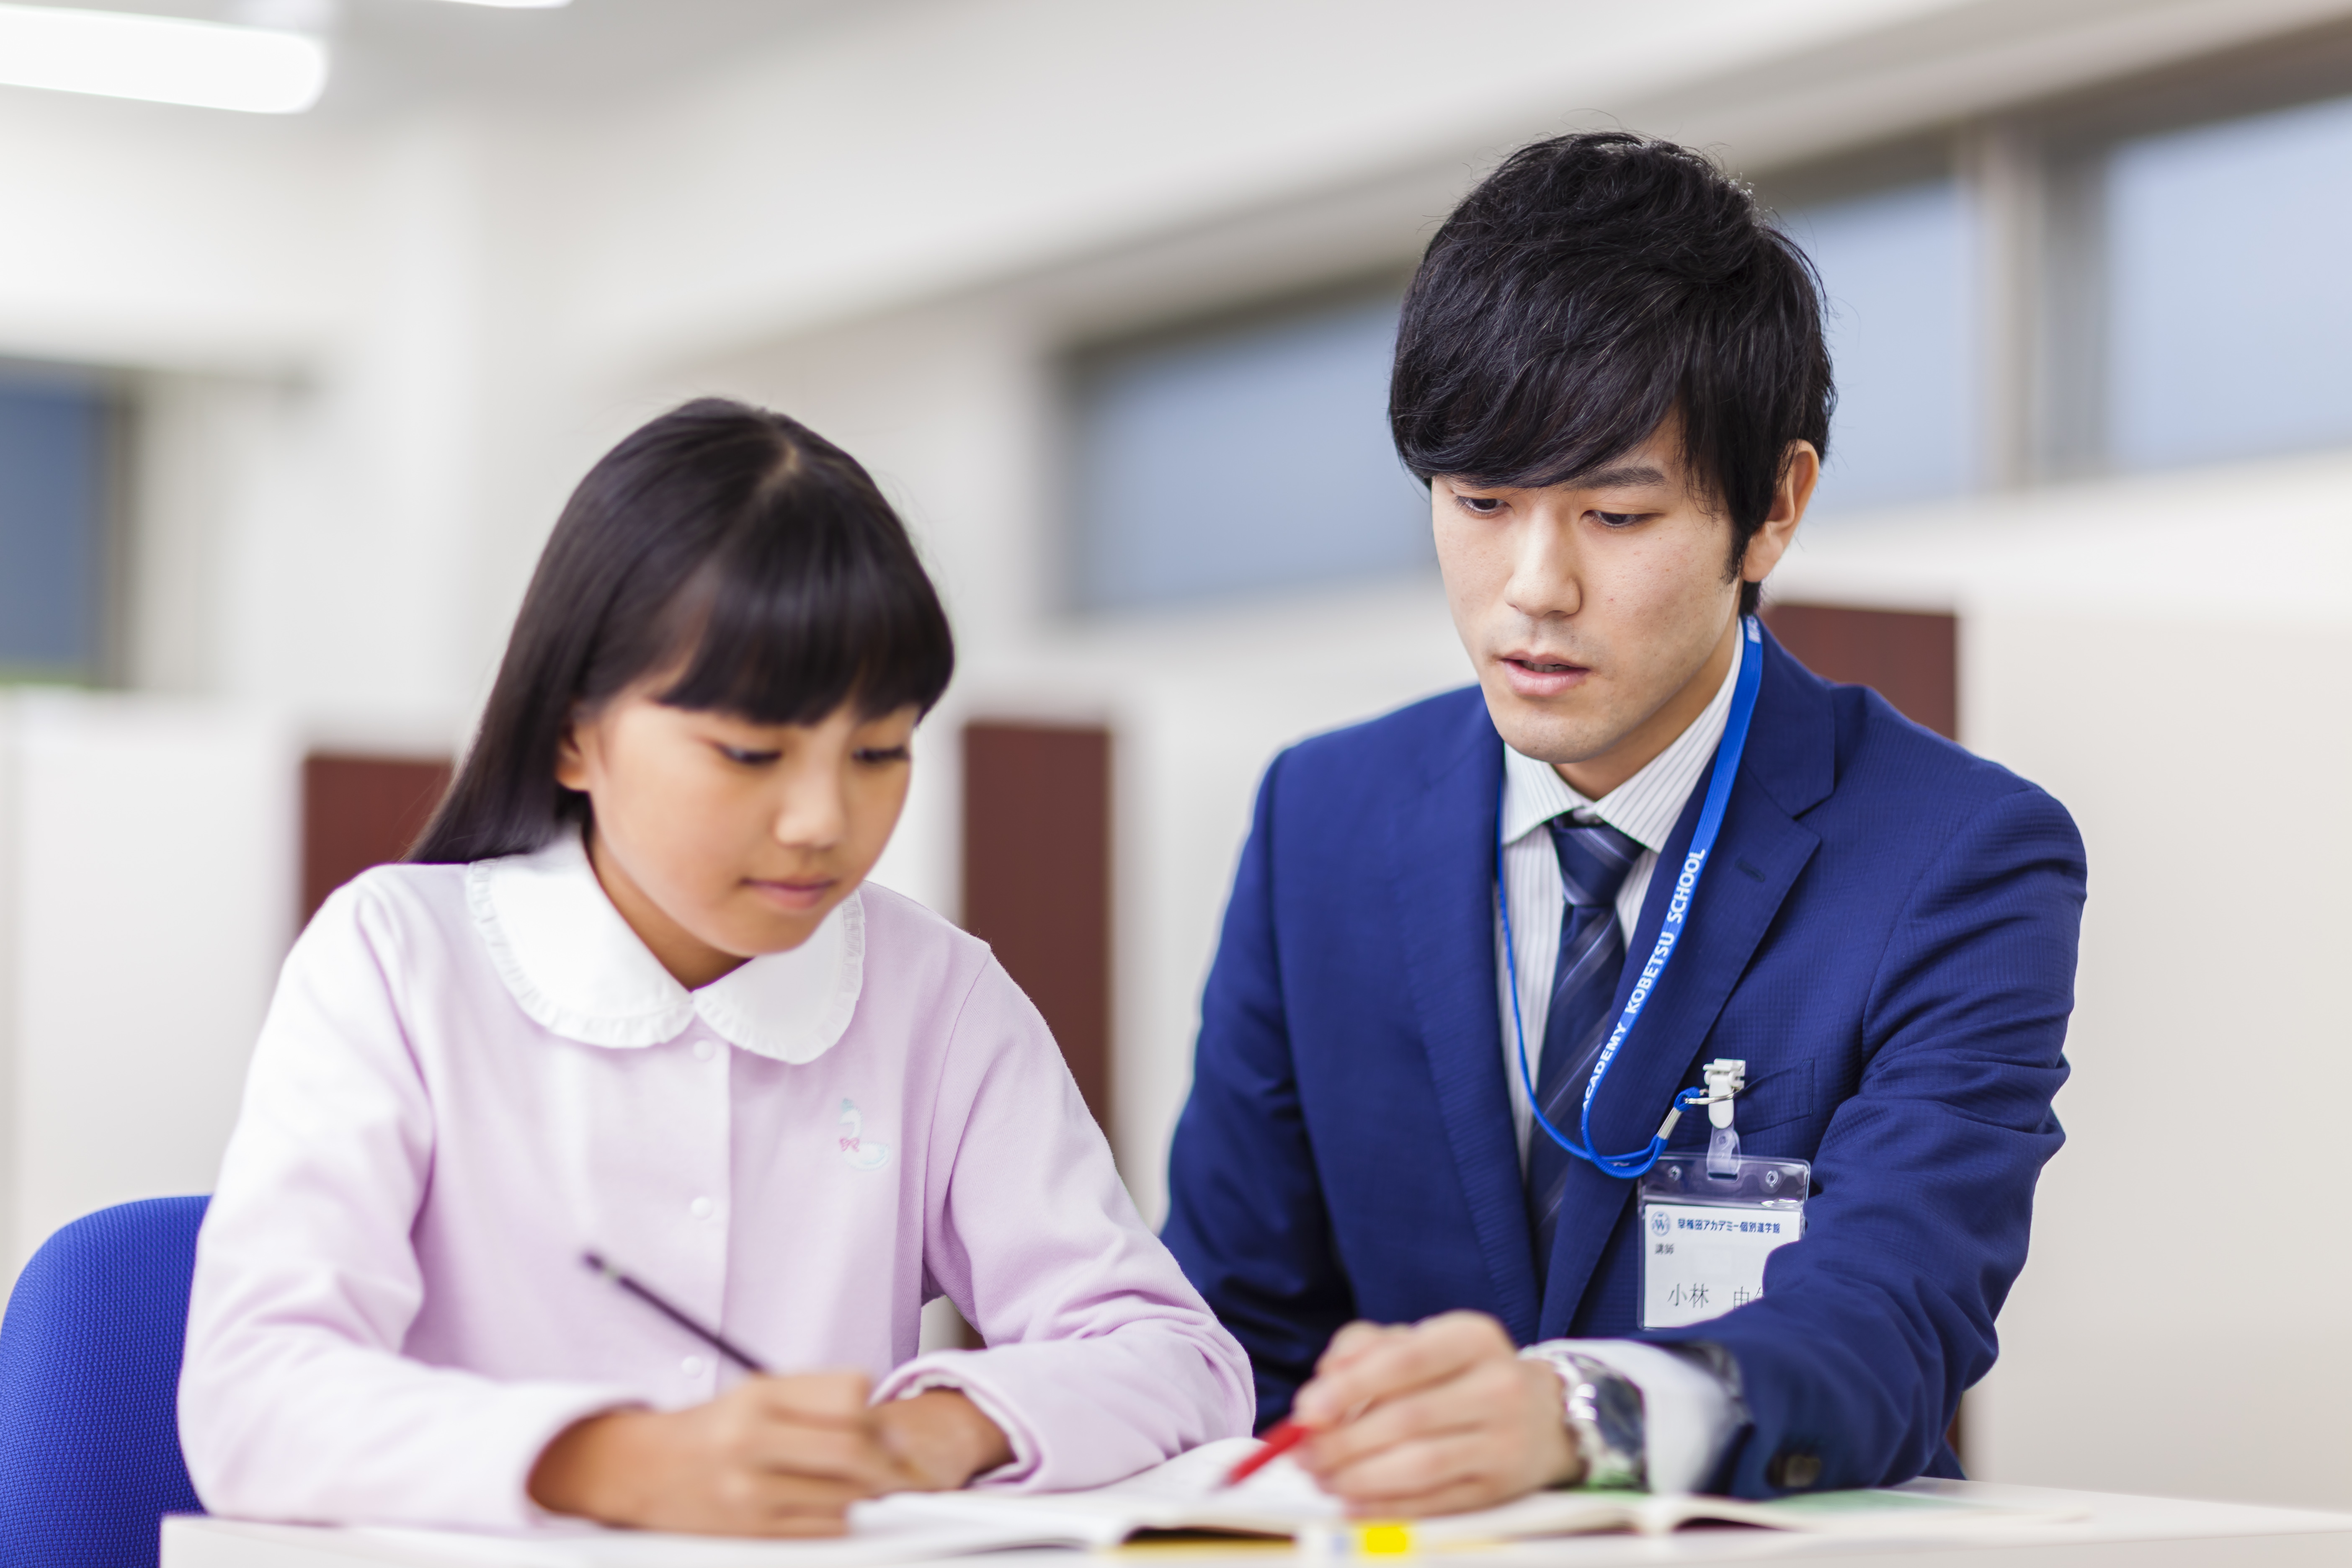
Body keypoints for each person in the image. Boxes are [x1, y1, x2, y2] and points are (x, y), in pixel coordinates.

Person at [1162, 133, 2085, 1511]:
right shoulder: (1325, 821)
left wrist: (1571, 1421)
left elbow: (1892, 1327)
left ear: (1774, 508)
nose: (1532, 588)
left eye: (1613, 512)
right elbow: (1233, 1321)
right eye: (1481, 503)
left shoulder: (1955, 856)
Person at [180, 400, 1251, 1535]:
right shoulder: (396, 958)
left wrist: (932, 1428)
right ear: (573, 733)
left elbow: (1180, 1358)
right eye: (750, 752)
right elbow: (255, 1398)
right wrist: (613, 1463)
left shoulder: (936, 994)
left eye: (879, 751)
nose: (820, 819)